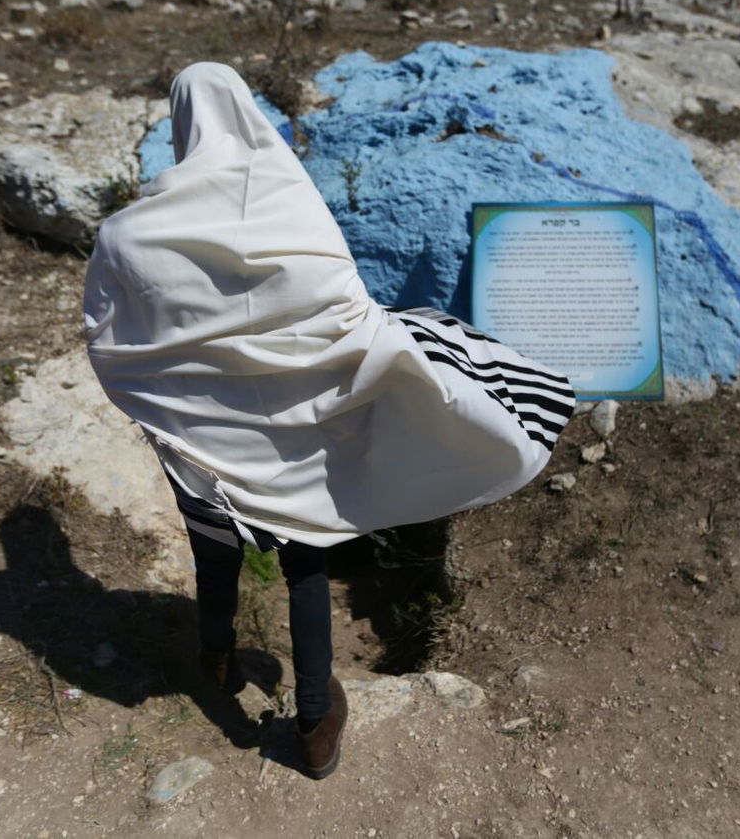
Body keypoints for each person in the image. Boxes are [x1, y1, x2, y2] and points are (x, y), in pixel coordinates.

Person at [82, 62, 574, 779]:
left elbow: (107, 338)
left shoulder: (129, 233)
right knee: (305, 566)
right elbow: (344, 307)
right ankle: (314, 722)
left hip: (199, 445)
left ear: (181, 122)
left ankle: (215, 661)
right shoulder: (286, 200)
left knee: (213, 553)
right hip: (294, 439)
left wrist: (163, 398)